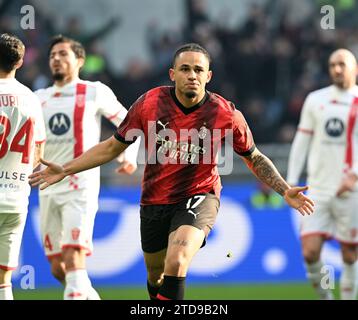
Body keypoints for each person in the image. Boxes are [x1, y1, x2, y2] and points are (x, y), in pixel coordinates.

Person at [30, 43, 314, 300]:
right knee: (156, 276)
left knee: (177, 261)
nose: (192, 75)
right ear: (172, 74)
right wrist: (65, 169)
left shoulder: (225, 113)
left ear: (208, 76)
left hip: (200, 195)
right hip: (154, 201)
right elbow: (111, 147)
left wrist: (283, 188)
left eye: (198, 70)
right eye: (185, 69)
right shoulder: (149, 104)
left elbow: (254, 157)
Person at [34, 35, 139, 300]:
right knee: (59, 268)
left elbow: (130, 123)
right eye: (52, 55)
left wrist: (129, 156)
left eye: (62, 54)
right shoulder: (38, 98)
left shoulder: (94, 91)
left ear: (79, 60)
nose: (55, 59)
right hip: (46, 188)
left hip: (79, 185)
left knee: (73, 255)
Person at [287, 48, 358, 300]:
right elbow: (301, 142)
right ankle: (326, 298)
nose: (336, 69)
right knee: (310, 252)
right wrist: (291, 182)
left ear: (355, 68)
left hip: (351, 191)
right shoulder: (315, 99)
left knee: (350, 254)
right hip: (317, 188)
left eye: (342, 64)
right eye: (332, 65)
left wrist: (356, 175)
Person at [0, 33, 46, 300]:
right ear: (19, 63)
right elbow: (38, 152)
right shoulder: (30, 98)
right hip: (16, 198)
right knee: (4, 279)